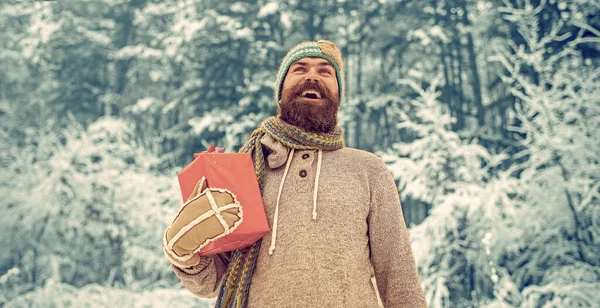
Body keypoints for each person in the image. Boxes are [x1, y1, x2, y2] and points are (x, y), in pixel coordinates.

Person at [164, 40, 428, 308]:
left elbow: (399, 278)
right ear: (281, 92)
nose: (312, 76)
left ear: (338, 94)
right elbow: (214, 282)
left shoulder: (369, 170)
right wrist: (186, 256)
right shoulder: (245, 169)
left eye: (325, 71)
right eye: (300, 69)